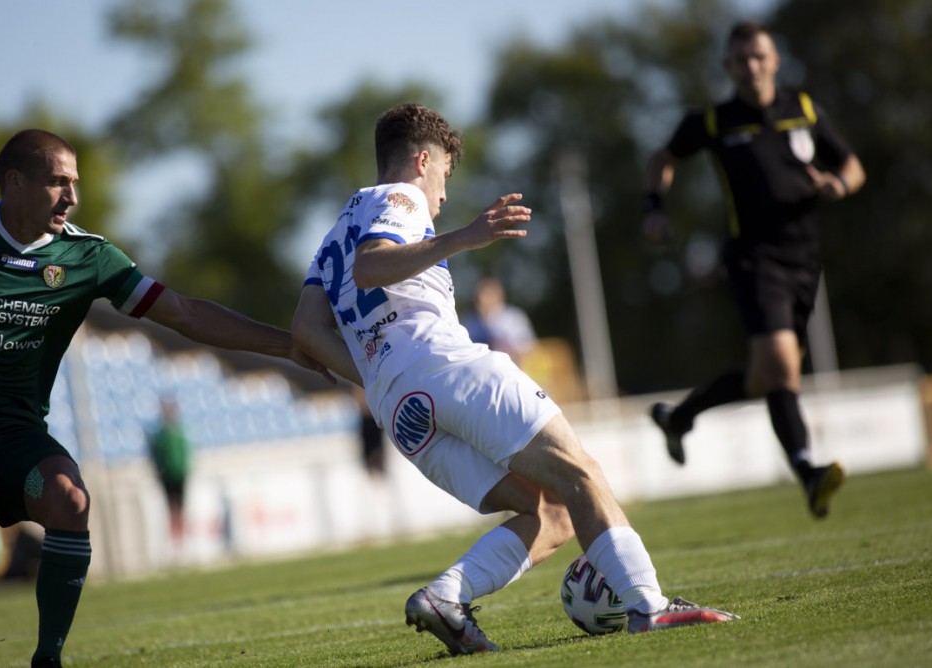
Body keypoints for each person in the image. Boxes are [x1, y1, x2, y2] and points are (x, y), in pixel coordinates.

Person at [292, 102, 738, 656]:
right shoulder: (400, 197)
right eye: (445, 174)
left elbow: (305, 329)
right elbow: (372, 265)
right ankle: (648, 606)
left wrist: (379, 372)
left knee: (551, 510)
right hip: (444, 366)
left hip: (398, 407)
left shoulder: (332, 235)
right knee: (579, 471)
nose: (443, 195)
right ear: (423, 160)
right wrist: (463, 237)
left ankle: (445, 598)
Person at [0, 129, 335, 668]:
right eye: (58, 182)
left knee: (69, 500)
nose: (71, 197)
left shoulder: (87, 256)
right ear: (14, 182)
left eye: (74, 183)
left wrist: (288, 345)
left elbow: (183, 313)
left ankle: (48, 659)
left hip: (13, 432)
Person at [641, 21, 866, 518]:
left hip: (805, 260)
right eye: (741, 58)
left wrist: (839, 185)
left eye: (759, 56)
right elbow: (662, 157)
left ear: (775, 60)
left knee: (766, 378)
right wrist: (654, 207)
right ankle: (808, 473)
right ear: (728, 65)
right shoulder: (715, 121)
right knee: (783, 366)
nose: (751, 65)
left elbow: (853, 166)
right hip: (752, 260)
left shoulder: (803, 110)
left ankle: (679, 417)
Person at [462, 276, 536, 365]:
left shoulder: (513, 318)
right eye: (478, 295)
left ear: (498, 295)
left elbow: (527, 350)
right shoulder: (469, 321)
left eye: (487, 294)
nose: (481, 299)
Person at [148, 398, 192, 549]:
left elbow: (185, 455)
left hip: (179, 475)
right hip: (168, 477)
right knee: (171, 509)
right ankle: (175, 543)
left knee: (180, 508)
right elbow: (156, 456)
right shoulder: (161, 436)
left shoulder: (180, 434)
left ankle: (182, 541)